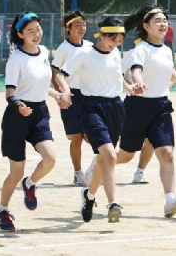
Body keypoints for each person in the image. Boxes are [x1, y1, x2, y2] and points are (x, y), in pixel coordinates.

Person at [84, 6, 176, 218]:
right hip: (137, 107)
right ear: (146, 26)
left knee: (166, 153)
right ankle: (99, 162)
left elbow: (169, 69)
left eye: (164, 21)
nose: (162, 24)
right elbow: (136, 70)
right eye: (157, 21)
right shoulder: (139, 50)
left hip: (161, 107)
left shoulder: (167, 50)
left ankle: (170, 199)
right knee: (124, 156)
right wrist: (138, 83)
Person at [57, 16, 139, 224]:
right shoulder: (85, 54)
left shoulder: (115, 54)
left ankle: (89, 196)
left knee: (103, 160)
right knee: (110, 156)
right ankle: (113, 203)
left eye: (119, 41)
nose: (115, 44)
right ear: (101, 35)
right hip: (91, 107)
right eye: (112, 39)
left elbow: (117, 77)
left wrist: (129, 88)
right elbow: (60, 74)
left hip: (116, 108)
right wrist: (65, 91)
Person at [0, 12, 64, 232]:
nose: (36, 34)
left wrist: (57, 95)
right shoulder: (16, 58)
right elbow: (9, 92)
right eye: (30, 31)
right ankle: (2, 210)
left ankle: (30, 183)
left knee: (50, 158)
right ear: (20, 34)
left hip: (40, 113)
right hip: (17, 116)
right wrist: (19, 105)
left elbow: (42, 85)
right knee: (16, 171)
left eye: (38, 29)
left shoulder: (43, 52)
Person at [50, 10, 93, 185]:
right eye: (77, 25)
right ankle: (78, 172)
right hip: (70, 95)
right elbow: (53, 73)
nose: (82, 28)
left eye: (83, 24)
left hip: (89, 95)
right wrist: (59, 95)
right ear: (68, 28)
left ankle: (96, 169)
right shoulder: (63, 48)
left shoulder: (90, 46)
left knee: (91, 135)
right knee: (76, 137)